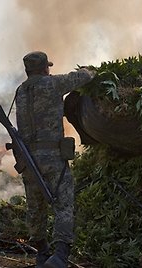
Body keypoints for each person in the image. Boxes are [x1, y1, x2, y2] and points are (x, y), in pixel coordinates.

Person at [14, 51, 95, 268]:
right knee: (63, 203)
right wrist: (89, 70)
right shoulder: (52, 84)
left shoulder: (20, 91)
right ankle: (60, 256)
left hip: (28, 160)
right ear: (44, 69)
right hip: (52, 158)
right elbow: (83, 78)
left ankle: (42, 253)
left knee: (35, 207)